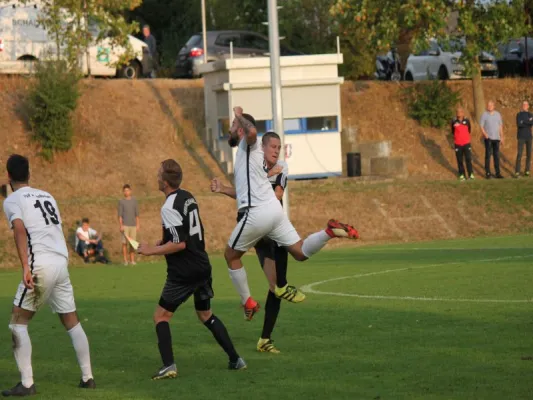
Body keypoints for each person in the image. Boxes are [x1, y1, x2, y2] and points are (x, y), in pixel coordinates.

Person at [225, 106, 359, 321]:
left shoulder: (248, 145)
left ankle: (248, 301)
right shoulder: (249, 155)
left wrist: (239, 116)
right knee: (299, 252)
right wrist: (223, 189)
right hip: (274, 211)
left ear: (240, 130)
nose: (230, 129)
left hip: (256, 213)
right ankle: (328, 232)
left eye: (232, 126)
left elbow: (251, 133)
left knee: (231, 256)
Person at [137, 159, 246, 380]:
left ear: (165, 181)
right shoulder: (187, 196)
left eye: (159, 174)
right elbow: (184, 232)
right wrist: (162, 241)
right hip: (202, 266)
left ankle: (169, 365)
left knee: (161, 317)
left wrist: (150, 250)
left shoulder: (168, 206)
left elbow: (180, 243)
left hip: (184, 272)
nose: (157, 177)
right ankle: (236, 359)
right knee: (206, 314)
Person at [2, 154, 95, 397]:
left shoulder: (12, 200)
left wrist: (25, 265)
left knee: (17, 323)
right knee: (71, 321)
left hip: (40, 265)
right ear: (29, 174)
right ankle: (88, 377)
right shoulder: (48, 196)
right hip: (61, 262)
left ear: (9, 176)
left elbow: (20, 230)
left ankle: (27, 383)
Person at [212, 131, 299, 353]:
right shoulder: (252, 162)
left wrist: (269, 174)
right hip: (256, 222)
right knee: (234, 257)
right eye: (274, 147)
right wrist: (223, 189)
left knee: (276, 285)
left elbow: (277, 194)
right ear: (263, 146)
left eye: (280, 148)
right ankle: (249, 301)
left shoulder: (282, 167)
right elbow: (245, 194)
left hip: (273, 226)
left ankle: (264, 339)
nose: (277, 151)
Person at [480, 100, 504, 179]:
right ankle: (488, 173)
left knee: (496, 156)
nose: (489, 106)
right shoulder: (484, 114)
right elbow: (481, 126)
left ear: (494, 106)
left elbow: (500, 126)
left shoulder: (498, 114)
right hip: (488, 138)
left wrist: (502, 137)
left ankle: (498, 173)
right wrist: (485, 134)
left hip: (496, 138)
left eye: (491, 105)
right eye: (488, 105)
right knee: (488, 155)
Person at [118, 184, 140, 265]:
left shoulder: (134, 201)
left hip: (133, 225)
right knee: (124, 243)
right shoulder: (121, 202)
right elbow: (120, 215)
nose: (126, 192)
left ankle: (132, 260)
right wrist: (121, 225)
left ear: (130, 191)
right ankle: (125, 260)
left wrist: (138, 225)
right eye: (125, 191)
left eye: (128, 190)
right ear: (123, 192)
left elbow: (137, 214)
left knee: (133, 243)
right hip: (125, 225)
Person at [451, 106, 474, 181]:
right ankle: (462, 175)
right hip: (458, 144)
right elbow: (453, 131)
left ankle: (471, 175)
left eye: (460, 112)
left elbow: (469, 130)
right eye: (457, 112)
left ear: (463, 113)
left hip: (466, 143)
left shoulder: (467, 121)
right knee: (459, 160)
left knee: (468, 159)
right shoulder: (454, 121)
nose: (458, 113)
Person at [515, 100, 533, 178]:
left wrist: (524, 122)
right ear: (522, 106)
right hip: (521, 137)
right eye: (524, 104)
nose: (525, 106)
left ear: (528, 106)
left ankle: (527, 171)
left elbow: (531, 123)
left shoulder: (530, 114)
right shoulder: (519, 114)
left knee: (529, 154)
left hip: (529, 137)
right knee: (519, 154)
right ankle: (517, 171)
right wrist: (527, 122)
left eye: (526, 105)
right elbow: (519, 124)